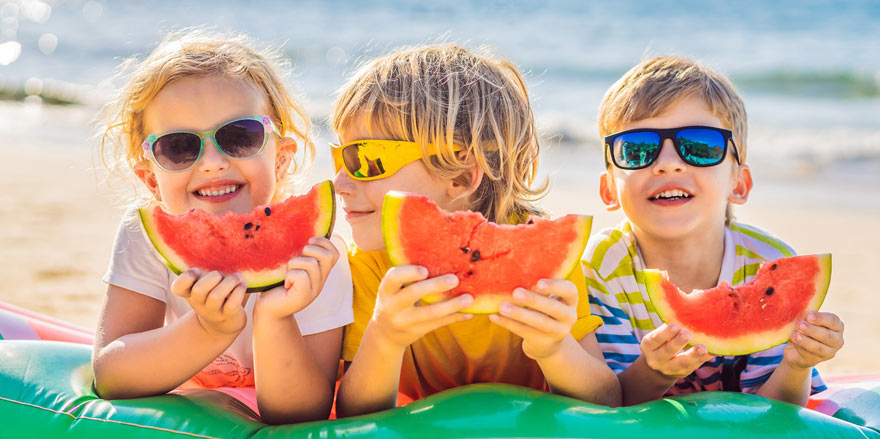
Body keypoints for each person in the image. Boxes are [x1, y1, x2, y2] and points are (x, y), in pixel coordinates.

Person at [332, 44, 621, 417]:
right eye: (338, 157)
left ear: (463, 176)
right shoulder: (367, 270)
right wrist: (384, 338)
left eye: (365, 160)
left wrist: (555, 348)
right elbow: (355, 416)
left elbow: (607, 401)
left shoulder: (541, 260)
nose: (339, 181)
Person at [93, 29, 353, 424]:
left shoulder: (316, 254)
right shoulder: (143, 235)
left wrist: (274, 318)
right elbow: (111, 376)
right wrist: (209, 330)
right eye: (179, 147)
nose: (212, 162)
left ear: (281, 159)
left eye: (239, 137)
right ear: (151, 180)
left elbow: (303, 412)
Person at [587, 56, 845, 406]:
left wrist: (797, 365)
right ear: (608, 190)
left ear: (739, 183)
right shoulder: (600, 271)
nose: (668, 163)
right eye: (637, 149)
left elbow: (776, 412)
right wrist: (654, 373)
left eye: (700, 145)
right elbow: (608, 402)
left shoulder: (771, 263)